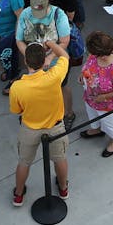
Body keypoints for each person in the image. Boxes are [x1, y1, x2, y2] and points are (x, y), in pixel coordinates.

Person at [9, 40, 70, 207]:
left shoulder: (17, 87)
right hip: (55, 127)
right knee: (60, 159)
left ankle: (18, 195)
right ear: (44, 61)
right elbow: (64, 55)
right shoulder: (55, 76)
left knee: (24, 162)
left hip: (29, 128)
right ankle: (63, 188)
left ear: (26, 61)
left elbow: (16, 110)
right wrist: (51, 43)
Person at [78, 31, 113, 157]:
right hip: (92, 97)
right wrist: (83, 74)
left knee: (110, 123)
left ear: (102, 56)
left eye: (93, 54)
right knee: (92, 114)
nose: (90, 54)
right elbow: (89, 61)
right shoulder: (98, 52)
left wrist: (103, 97)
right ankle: (96, 129)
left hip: (109, 105)